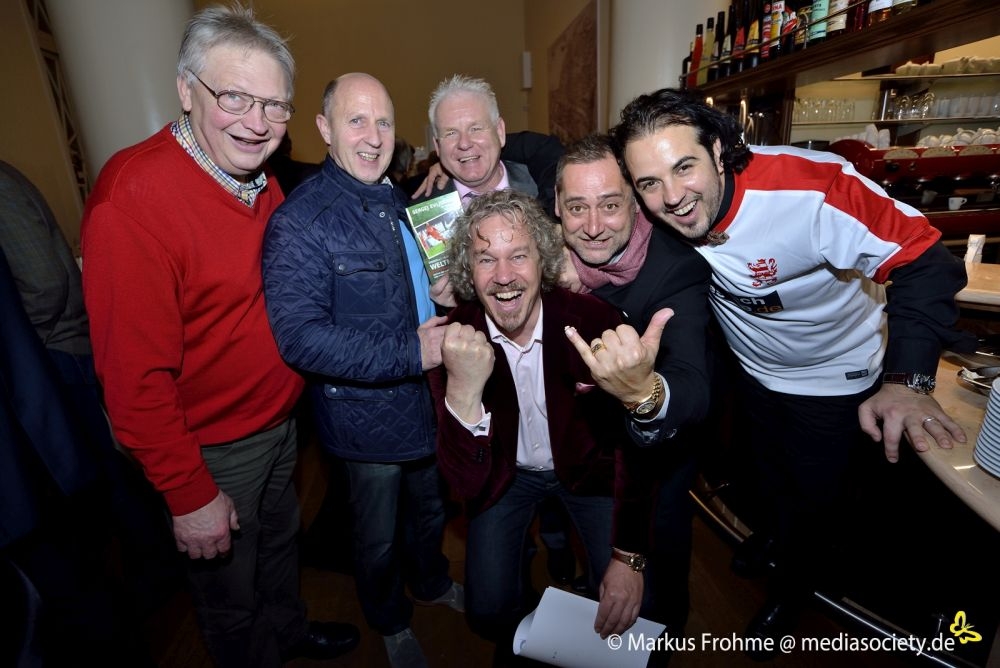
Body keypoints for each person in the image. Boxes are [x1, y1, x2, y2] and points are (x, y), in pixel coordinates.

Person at [612, 87, 974, 656]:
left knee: (815, 499)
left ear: (719, 149)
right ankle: (775, 539)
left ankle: (794, 587)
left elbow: (925, 259)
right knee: (762, 473)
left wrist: (909, 382)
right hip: (752, 370)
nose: (673, 197)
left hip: (833, 375)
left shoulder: (811, 189)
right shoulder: (654, 213)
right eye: (649, 183)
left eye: (684, 167)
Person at [79, 6, 359, 667]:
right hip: (211, 447)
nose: (257, 123)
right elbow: (132, 381)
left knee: (279, 549)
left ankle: (288, 633)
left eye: (275, 106)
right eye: (234, 97)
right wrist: (189, 492)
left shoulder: (257, 177)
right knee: (229, 594)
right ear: (186, 89)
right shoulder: (133, 201)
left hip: (276, 424)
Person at [261, 72, 462, 668]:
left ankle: (431, 583)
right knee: (376, 539)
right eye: (356, 121)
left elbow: (413, 287)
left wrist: (441, 288)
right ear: (324, 129)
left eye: (384, 122)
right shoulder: (302, 221)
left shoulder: (397, 199)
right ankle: (390, 619)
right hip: (365, 420)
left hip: (429, 401)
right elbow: (301, 339)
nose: (373, 137)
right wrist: (412, 353)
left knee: (431, 512)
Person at [430, 189, 669, 665]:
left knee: (639, 607)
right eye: (485, 259)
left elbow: (634, 447)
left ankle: (582, 645)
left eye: (519, 255)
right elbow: (464, 483)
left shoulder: (593, 321)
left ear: (543, 261)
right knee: (487, 609)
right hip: (506, 477)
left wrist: (628, 558)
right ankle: (539, 641)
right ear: (467, 271)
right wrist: (463, 391)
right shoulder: (456, 338)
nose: (503, 276)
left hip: (591, 473)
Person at [554, 133, 714, 635]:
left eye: (610, 205)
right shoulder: (551, 255)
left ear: (635, 204)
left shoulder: (675, 271)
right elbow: (526, 150)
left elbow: (693, 385)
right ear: (556, 207)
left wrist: (645, 393)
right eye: (577, 208)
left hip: (658, 453)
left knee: (657, 588)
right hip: (588, 451)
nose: (593, 226)